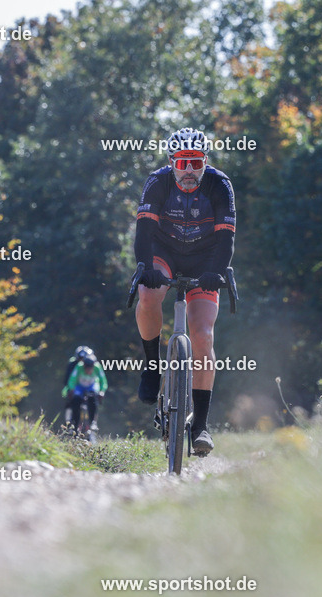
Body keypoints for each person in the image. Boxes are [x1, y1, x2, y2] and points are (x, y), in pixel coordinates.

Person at [133, 127, 235, 455]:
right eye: (182, 162)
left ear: (205, 161)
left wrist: (216, 273)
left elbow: (226, 238)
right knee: (149, 296)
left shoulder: (219, 185)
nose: (189, 169)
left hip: (205, 260)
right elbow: (145, 230)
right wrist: (144, 267)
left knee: (203, 335)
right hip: (165, 251)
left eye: (195, 161)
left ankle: (201, 426)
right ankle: (151, 365)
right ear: (171, 162)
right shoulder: (157, 182)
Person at [61, 347, 108, 432]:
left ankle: (93, 422)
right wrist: (71, 389)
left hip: (92, 386)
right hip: (80, 386)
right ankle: (74, 425)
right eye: (86, 367)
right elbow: (72, 380)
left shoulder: (98, 367)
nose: (88, 370)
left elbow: (103, 381)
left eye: (91, 367)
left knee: (93, 399)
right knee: (76, 400)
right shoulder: (79, 366)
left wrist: (102, 391)